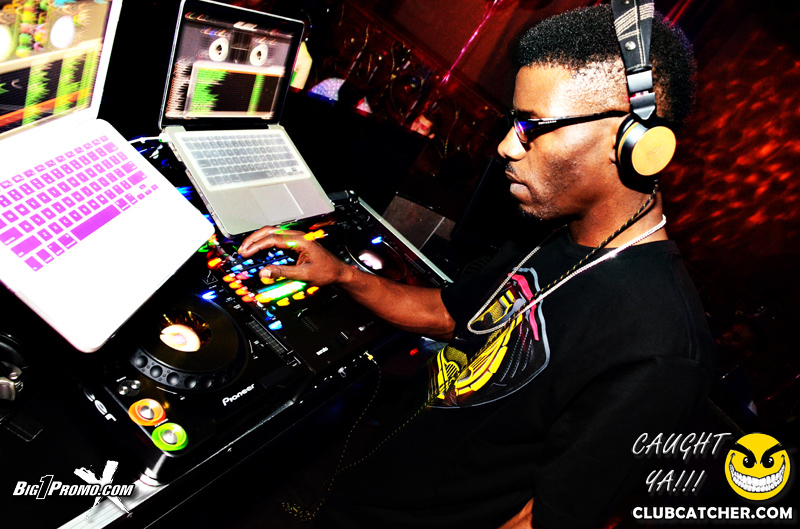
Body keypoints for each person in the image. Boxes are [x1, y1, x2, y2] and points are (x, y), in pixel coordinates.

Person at [238, 4, 714, 528]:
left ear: (634, 140)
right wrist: (342, 274)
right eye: (514, 122)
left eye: (533, 126)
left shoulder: (660, 347)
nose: (506, 145)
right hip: (363, 490)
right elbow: (451, 314)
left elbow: (541, 521)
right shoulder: (550, 231)